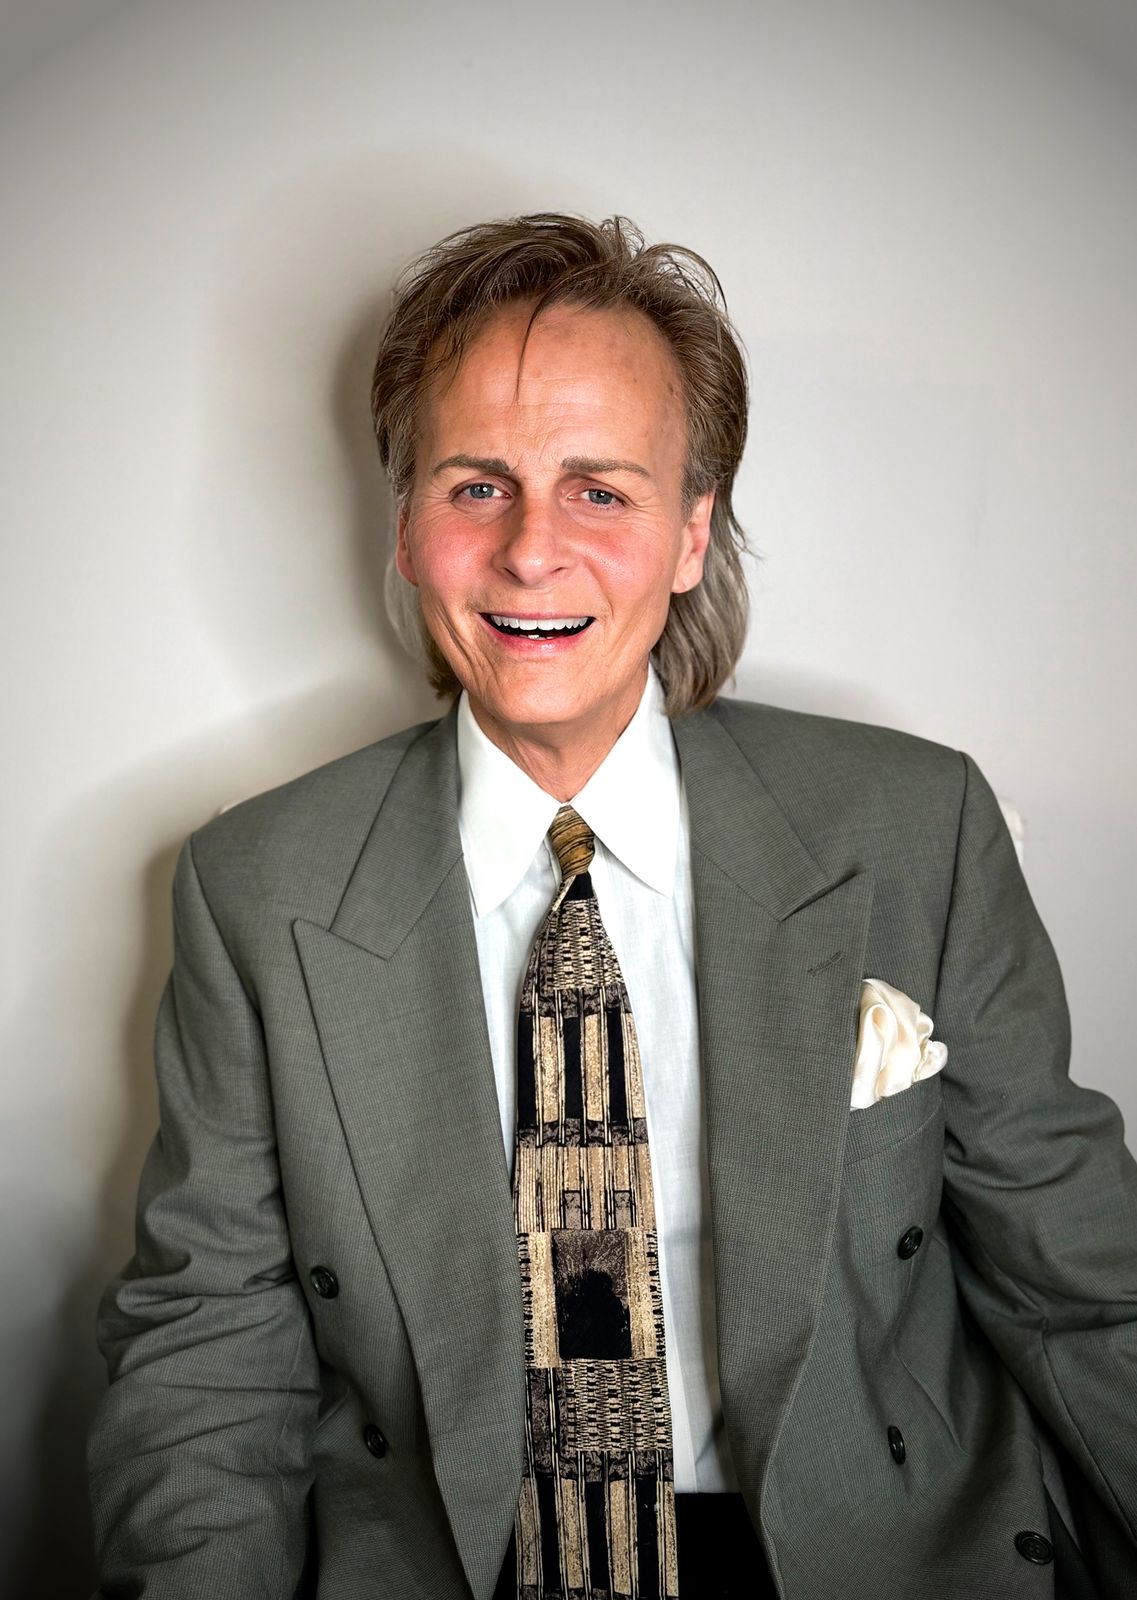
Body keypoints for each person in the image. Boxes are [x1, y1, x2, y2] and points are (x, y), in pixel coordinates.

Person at [88, 214, 1137, 1600]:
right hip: (457, 1561)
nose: (532, 552)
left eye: (600, 491)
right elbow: (208, 1347)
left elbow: (1080, 1282)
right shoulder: (255, 885)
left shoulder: (913, 827)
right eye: (477, 486)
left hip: (863, 1552)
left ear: (691, 533)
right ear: (405, 526)